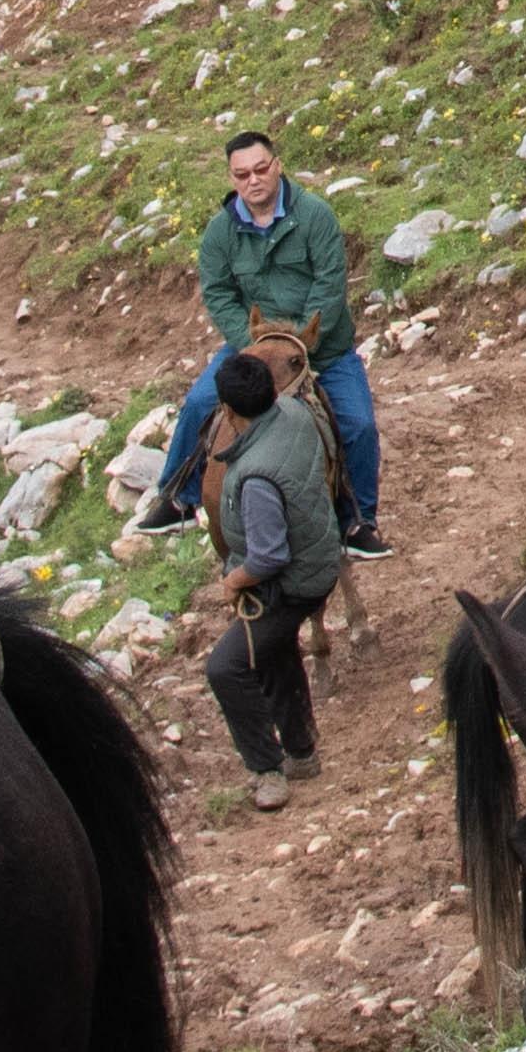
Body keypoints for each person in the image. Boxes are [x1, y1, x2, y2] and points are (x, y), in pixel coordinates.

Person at [144, 133, 380, 556]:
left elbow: (329, 283)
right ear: (232, 178)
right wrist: (248, 343)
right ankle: (179, 495)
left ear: (277, 165)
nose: (253, 180)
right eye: (242, 174)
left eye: (260, 169)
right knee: (200, 404)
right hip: (252, 348)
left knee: (358, 423)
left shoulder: (315, 216)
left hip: (320, 348)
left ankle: (357, 521)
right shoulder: (220, 232)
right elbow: (217, 293)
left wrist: (302, 340)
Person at [197, 347, 338, 813]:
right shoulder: (296, 413)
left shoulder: (256, 477)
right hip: (318, 560)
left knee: (227, 667)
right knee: (272, 649)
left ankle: (267, 769)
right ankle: (302, 752)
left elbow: (269, 556)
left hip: (290, 583)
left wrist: (235, 580)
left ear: (229, 411)